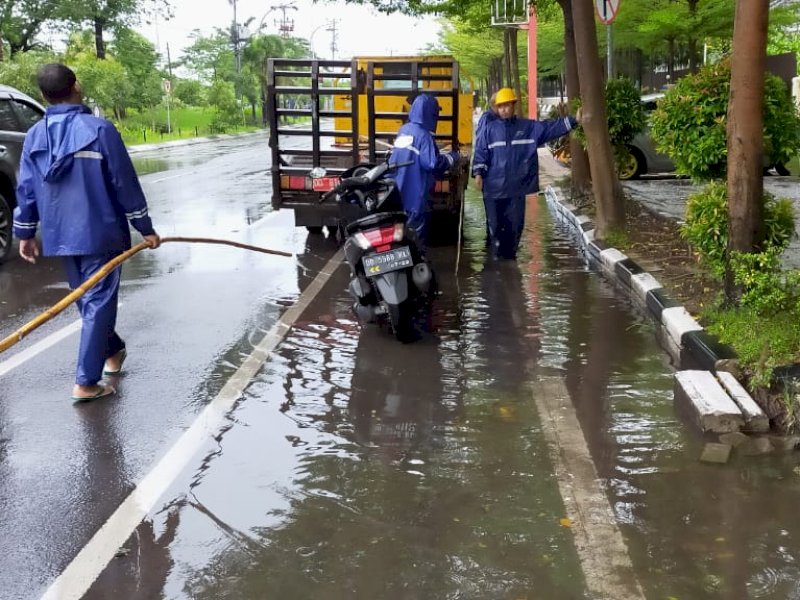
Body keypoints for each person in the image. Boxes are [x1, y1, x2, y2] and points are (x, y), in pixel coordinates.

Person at [13, 63, 160, 401]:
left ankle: (113, 351)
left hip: (60, 236)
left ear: (42, 95)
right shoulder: (100, 130)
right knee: (95, 304)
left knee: (89, 301)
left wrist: (24, 233)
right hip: (101, 234)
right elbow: (124, 184)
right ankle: (85, 381)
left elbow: (27, 189)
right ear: (76, 86)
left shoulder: (35, 136)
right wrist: (145, 228)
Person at [472, 87, 580, 260]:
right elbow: (481, 152)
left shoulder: (528, 127)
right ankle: (497, 267)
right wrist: (478, 173)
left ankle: (509, 263)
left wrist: (573, 120)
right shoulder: (489, 130)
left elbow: (550, 128)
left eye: (507, 105)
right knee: (496, 229)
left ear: (513, 106)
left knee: (515, 228)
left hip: (516, 189)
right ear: (496, 108)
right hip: (494, 189)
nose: (504, 109)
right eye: (501, 106)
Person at [389, 93, 461, 245]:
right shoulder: (425, 137)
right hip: (415, 196)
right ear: (431, 113)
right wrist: (452, 157)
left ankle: (398, 259)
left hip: (397, 192)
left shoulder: (404, 130)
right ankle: (415, 263)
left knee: (398, 232)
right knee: (415, 237)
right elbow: (432, 164)